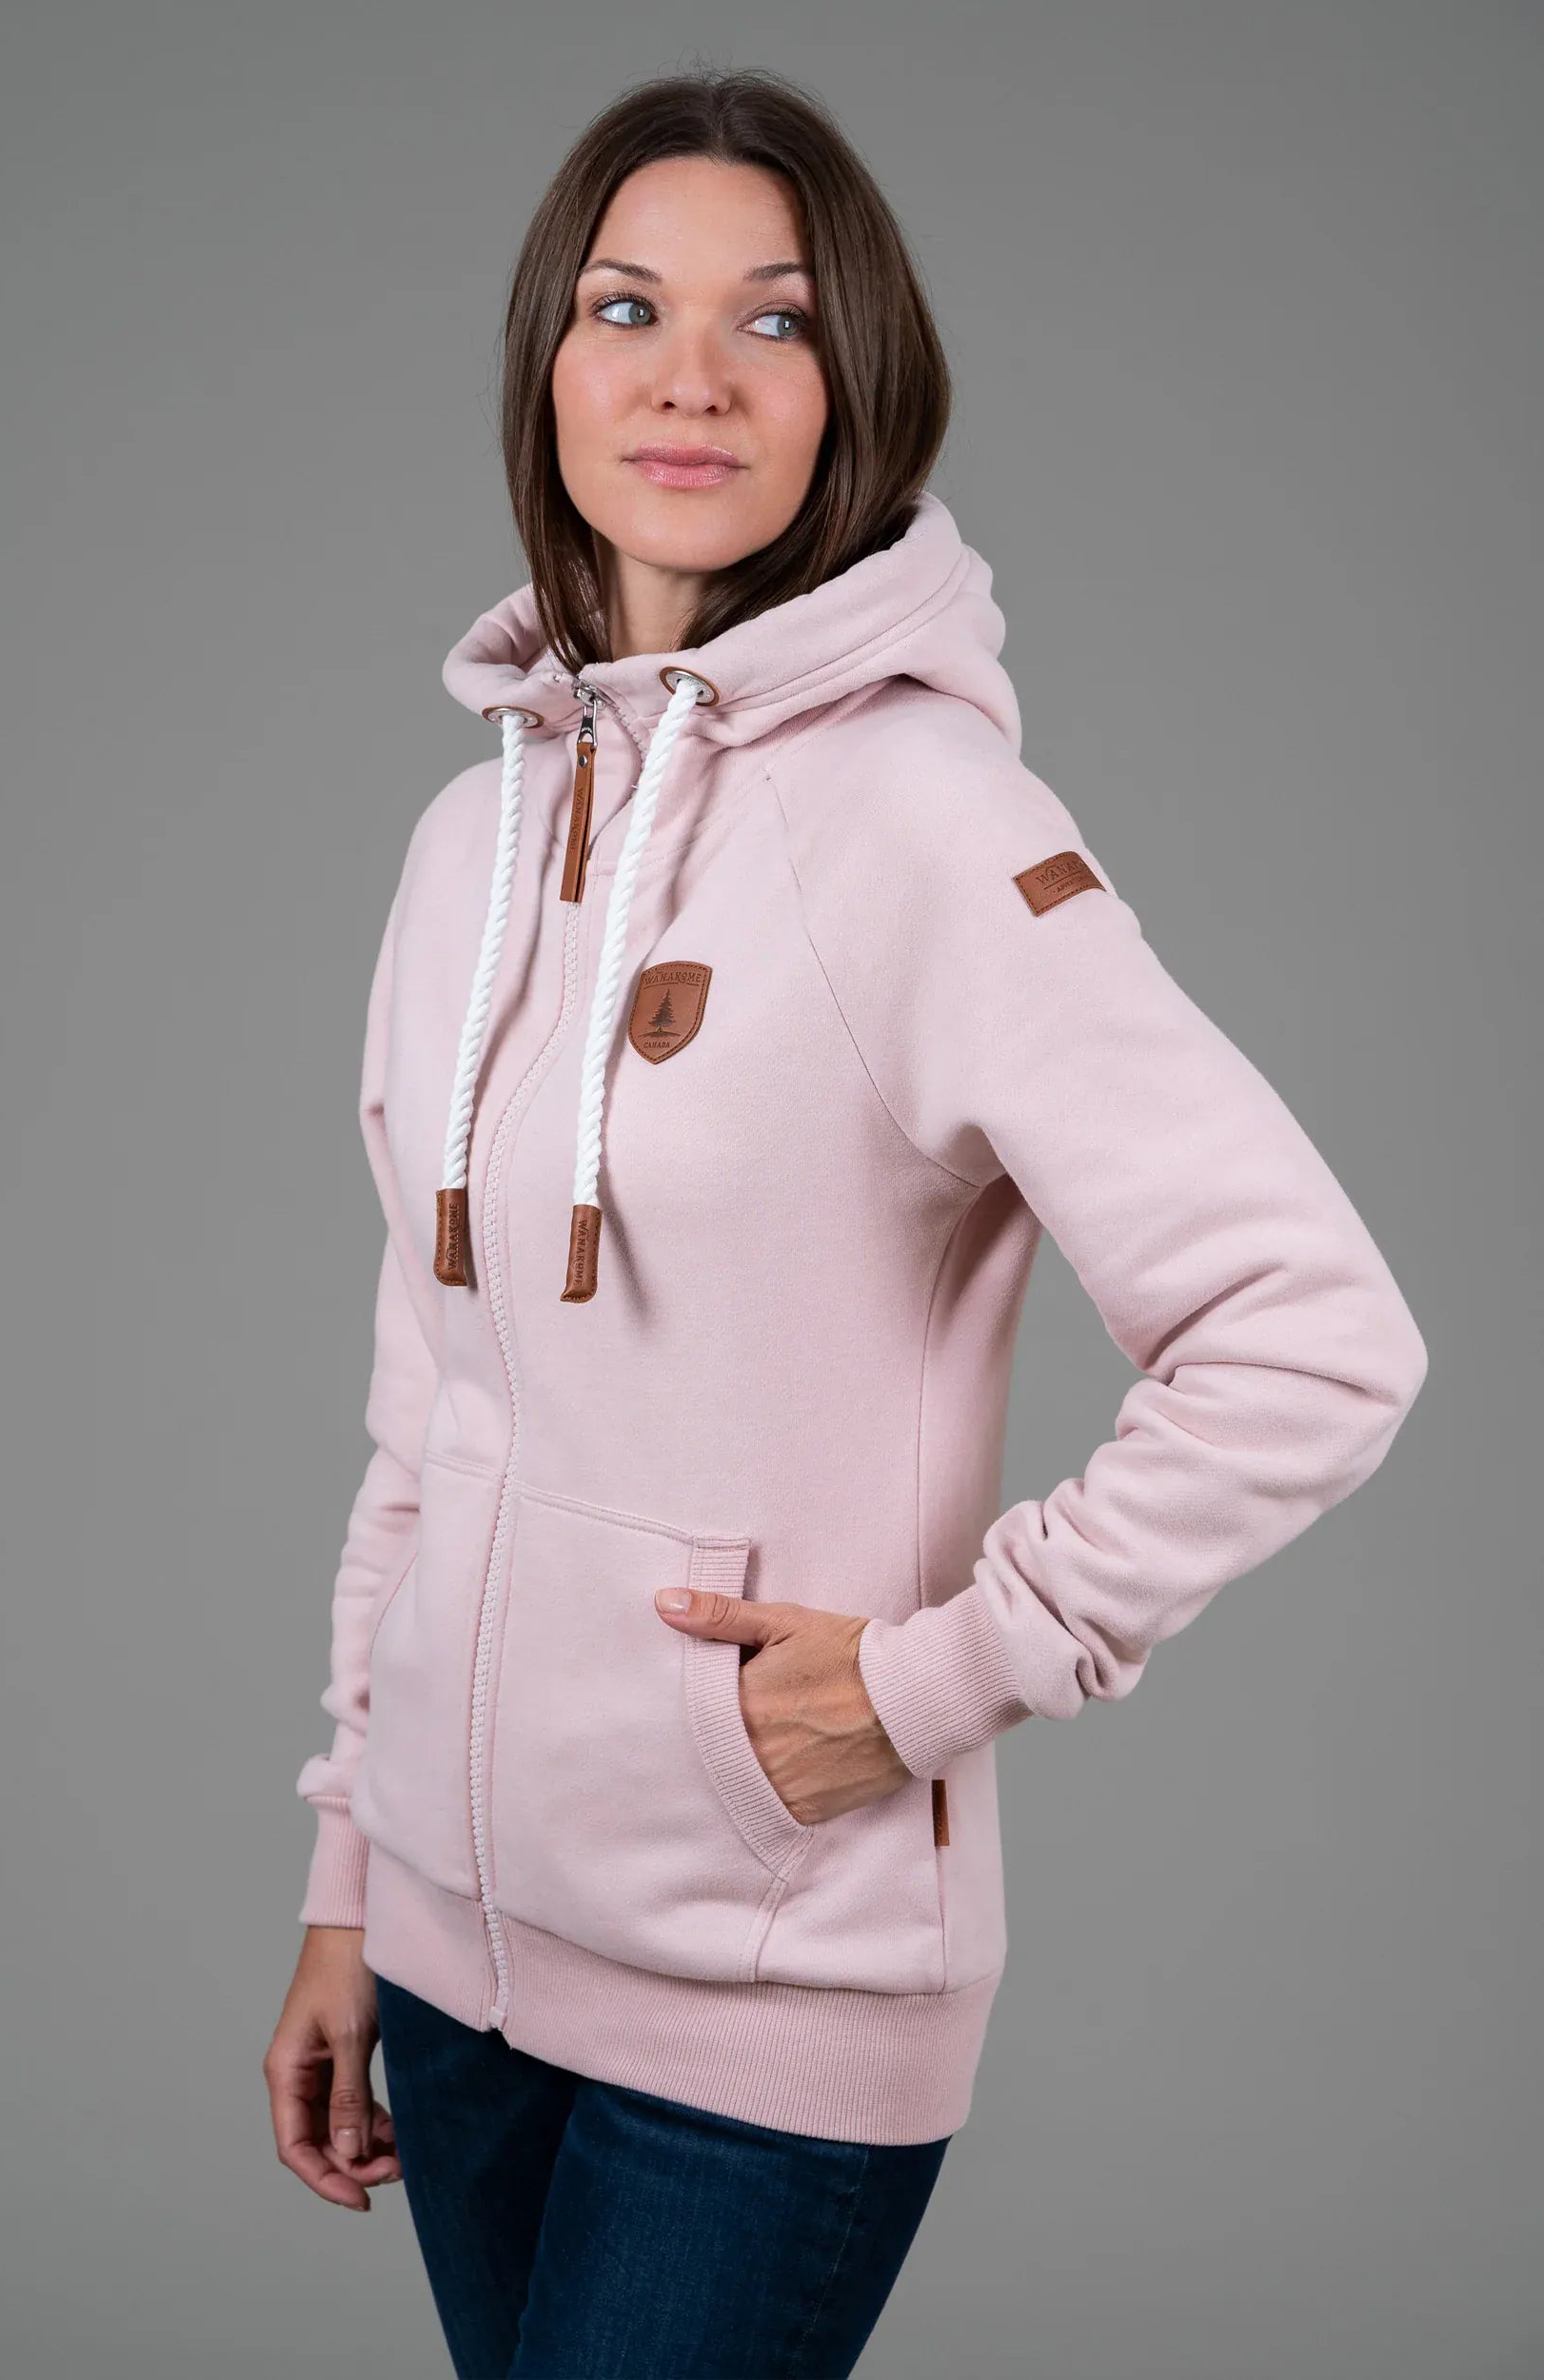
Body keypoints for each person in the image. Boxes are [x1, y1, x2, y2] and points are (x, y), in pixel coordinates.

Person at [262, 66, 1428, 2380]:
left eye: (770, 320)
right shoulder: (463, 849)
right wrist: (344, 1870)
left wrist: (927, 1684)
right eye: (626, 306)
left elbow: (1312, 1336)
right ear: (547, 365)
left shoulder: (925, 819)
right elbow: (434, 1406)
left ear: (852, 388)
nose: (688, 373)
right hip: (450, 1964)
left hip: (769, 1984)